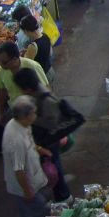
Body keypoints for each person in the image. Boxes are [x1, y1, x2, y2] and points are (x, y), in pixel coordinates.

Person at [13, 69, 73, 202]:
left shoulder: (44, 100)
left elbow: (51, 123)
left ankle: (63, 196)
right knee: (52, 164)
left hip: (48, 140)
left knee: (52, 165)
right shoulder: (39, 91)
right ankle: (59, 189)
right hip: (46, 139)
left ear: (27, 88)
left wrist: (33, 120)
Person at [2, 95, 49, 217]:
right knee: (34, 211)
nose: (36, 115)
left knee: (37, 208)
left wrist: (40, 149)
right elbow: (19, 170)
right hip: (22, 184)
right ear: (25, 116)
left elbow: (30, 141)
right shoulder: (14, 138)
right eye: (34, 113)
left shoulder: (23, 125)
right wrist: (27, 190)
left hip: (31, 176)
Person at [0, 41, 49, 126]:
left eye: (4, 62)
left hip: (34, 112)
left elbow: (46, 88)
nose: (1, 64)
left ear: (15, 58)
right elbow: (1, 91)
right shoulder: (1, 70)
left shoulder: (32, 66)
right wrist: (0, 112)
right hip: (16, 110)